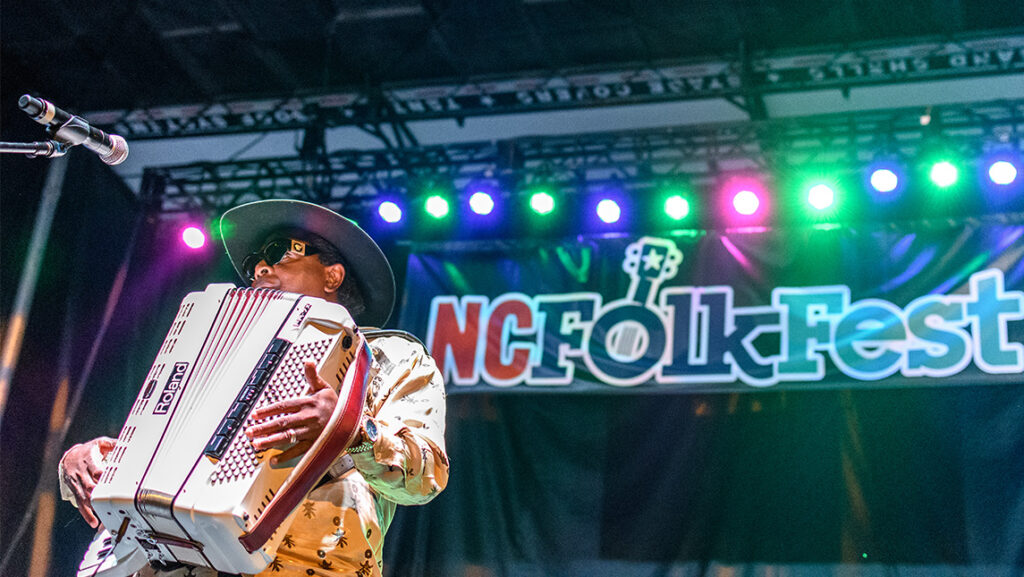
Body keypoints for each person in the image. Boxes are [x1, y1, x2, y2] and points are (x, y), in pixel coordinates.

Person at [58, 199, 449, 577]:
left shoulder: (390, 355)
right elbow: (170, 453)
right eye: (253, 263)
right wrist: (93, 461)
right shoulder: (216, 345)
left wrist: (351, 430)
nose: (260, 267)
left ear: (333, 275)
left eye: (279, 252)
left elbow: (426, 478)